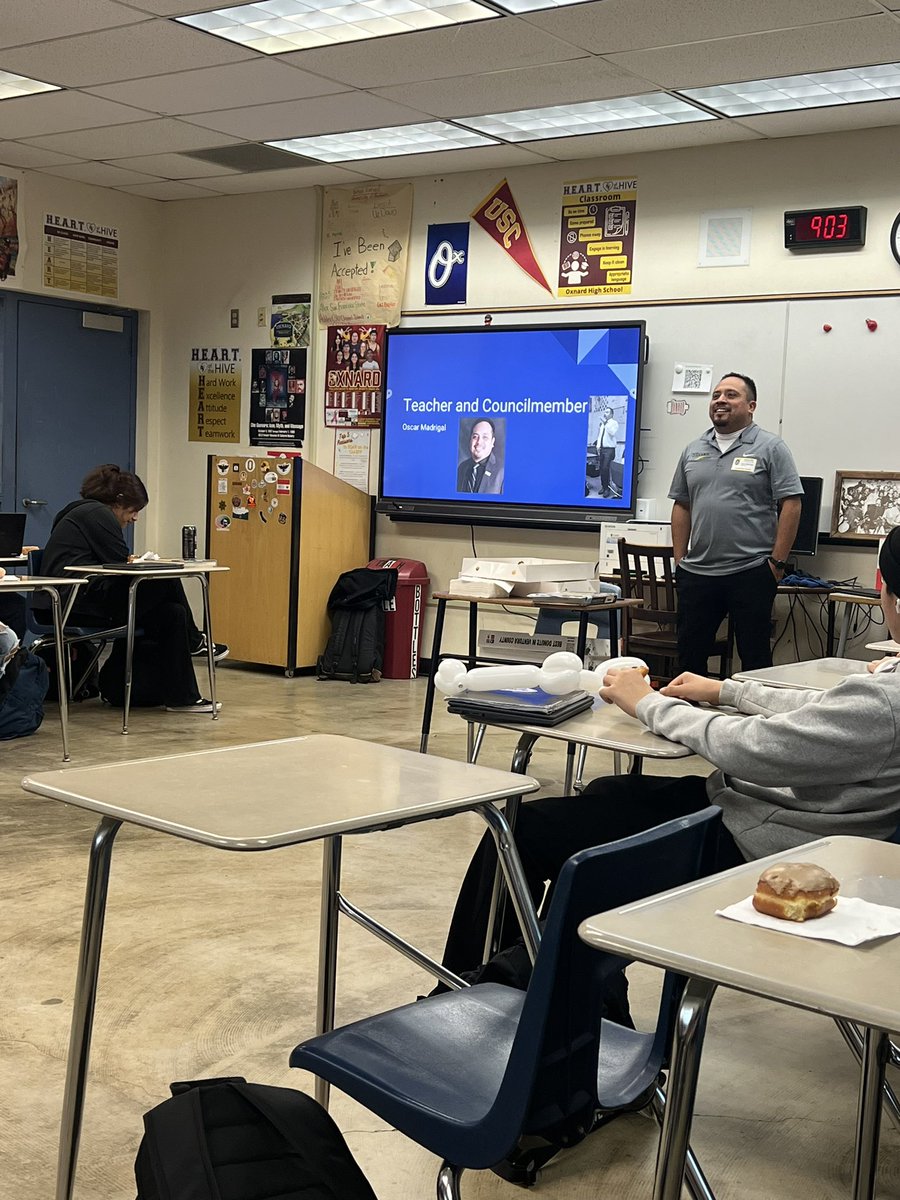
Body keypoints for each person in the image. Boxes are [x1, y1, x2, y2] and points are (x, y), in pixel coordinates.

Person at [440, 528, 900, 978]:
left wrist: (647, 703)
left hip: (764, 844)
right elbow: (823, 711)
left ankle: (480, 990)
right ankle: (524, 977)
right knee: (607, 792)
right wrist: (727, 690)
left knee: (524, 829)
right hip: (774, 817)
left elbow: (752, 749)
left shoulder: (887, 698)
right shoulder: (887, 687)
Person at [38, 464, 227, 714]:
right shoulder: (97, 514)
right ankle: (195, 641)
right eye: (134, 510)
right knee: (165, 577)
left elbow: (111, 561)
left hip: (78, 597)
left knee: (172, 614)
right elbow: (119, 563)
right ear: (118, 501)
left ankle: (183, 697)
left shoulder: (79, 511)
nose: (135, 517)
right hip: (73, 602)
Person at [670, 372, 802, 674]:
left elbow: (791, 504)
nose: (721, 400)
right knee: (689, 656)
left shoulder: (771, 447)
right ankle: (685, 717)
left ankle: (756, 719)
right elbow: (681, 504)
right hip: (698, 572)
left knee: (754, 657)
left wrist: (777, 564)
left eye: (731, 395)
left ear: (751, 405)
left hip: (751, 570)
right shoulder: (693, 449)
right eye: (716, 395)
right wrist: (680, 559)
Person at [456, 418, 504, 494]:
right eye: (475, 436)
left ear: (492, 442)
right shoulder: (462, 468)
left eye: (485, 437)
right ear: (470, 440)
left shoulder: (502, 471)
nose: (479, 442)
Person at [594, 402, 619, 498]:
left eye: (607, 412)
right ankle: (603, 487)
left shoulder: (614, 423)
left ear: (612, 414)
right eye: (605, 412)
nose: (605, 413)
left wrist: (605, 423)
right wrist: (598, 446)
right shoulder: (603, 424)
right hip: (602, 449)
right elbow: (600, 436)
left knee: (605, 468)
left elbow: (612, 433)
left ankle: (607, 489)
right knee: (601, 469)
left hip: (609, 449)